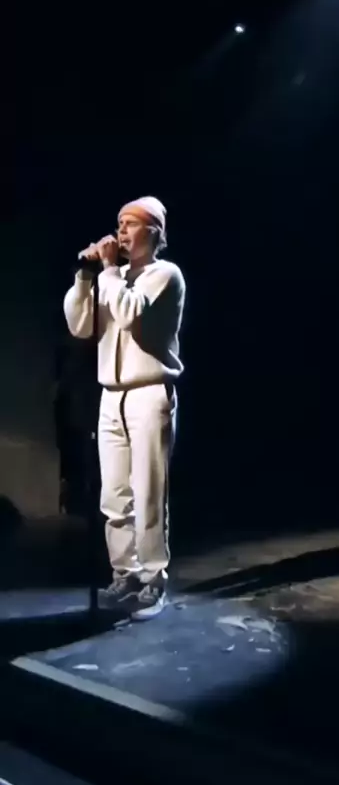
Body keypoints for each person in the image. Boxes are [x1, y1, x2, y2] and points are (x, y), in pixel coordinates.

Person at [63, 196, 186, 618]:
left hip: (150, 391)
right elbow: (81, 326)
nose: (121, 231)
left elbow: (132, 313)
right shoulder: (112, 279)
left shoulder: (164, 275)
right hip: (112, 395)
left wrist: (110, 271)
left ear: (154, 232)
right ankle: (125, 573)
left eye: (131, 224)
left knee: (148, 490)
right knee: (114, 493)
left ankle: (153, 580)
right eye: (119, 223)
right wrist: (85, 278)